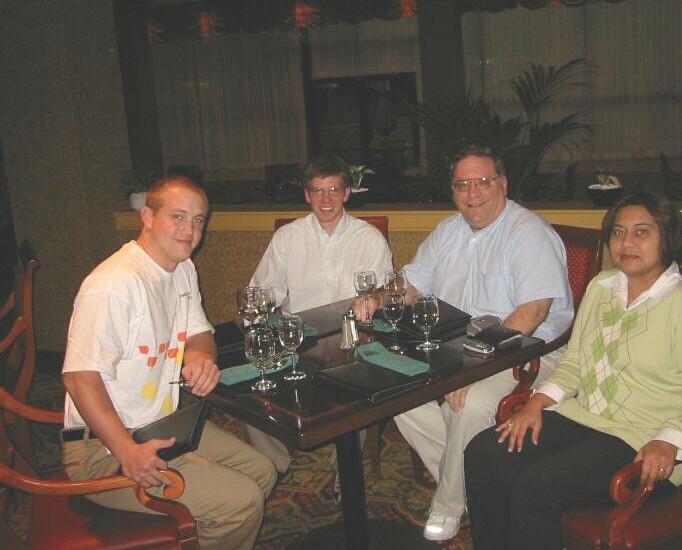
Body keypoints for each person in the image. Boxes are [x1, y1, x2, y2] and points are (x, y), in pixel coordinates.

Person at [464, 191, 682, 550]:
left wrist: (669, 440)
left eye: (641, 232)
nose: (626, 243)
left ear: (667, 238)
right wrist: (536, 403)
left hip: (645, 441)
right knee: (484, 452)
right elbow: (575, 361)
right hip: (584, 417)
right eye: (618, 233)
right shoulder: (601, 286)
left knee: (536, 486)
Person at [357, 145, 574, 541]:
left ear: (502, 184)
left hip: (529, 349)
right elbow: (411, 283)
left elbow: (531, 315)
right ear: (453, 190)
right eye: (462, 184)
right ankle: (476, 480)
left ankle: (449, 504)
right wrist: (379, 297)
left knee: (470, 402)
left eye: (483, 181)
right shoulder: (448, 230)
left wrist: (474, 369)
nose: (473, 192)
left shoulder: (529, 234)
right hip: (458, 344)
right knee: (395, 388)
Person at [62, 176, 277, 550]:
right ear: (147, 216)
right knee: (241, 502)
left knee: (263, 471)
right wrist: (127, 452)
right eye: (177, 216)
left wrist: (200, 356)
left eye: (198, 220)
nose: (190, 230)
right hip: (103, 448)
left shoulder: (182, 268)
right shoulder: (115, 283)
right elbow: (80, 378)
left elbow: (200, 333)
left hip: (159, 425)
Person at [247, 155, 393, 482]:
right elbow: (263, 291)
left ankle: (346, 473)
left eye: (333, 191)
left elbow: (383, 296)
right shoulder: (288, 238)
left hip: (351, 339)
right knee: (254, 388)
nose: (326, 200)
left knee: (355, 393)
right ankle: (274, 465)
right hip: (296, 340)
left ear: (346, 194)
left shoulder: (369, 238)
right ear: (306, 195)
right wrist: (256, 321)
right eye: (317, 191)